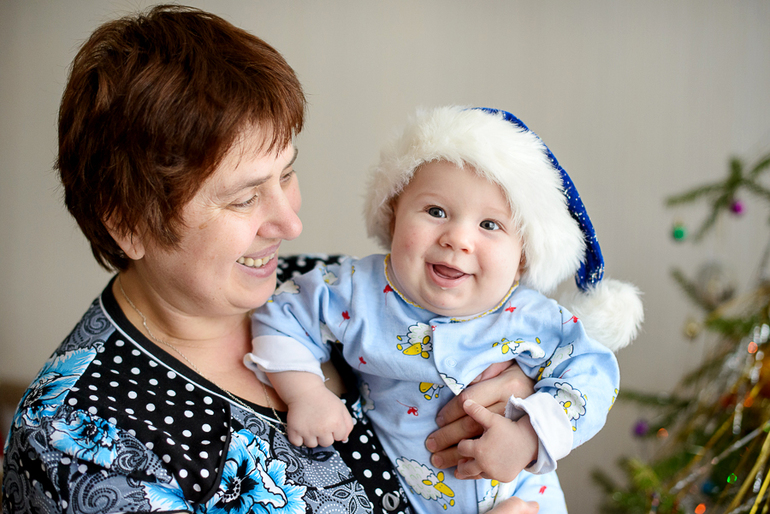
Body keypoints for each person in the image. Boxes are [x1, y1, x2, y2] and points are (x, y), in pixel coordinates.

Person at [1, 6, 542, 514]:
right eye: (244, 198)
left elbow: (526, 329)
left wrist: (520, 383)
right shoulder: (76, 442)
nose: (289, 224)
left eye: (286, 174)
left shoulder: (326, 285)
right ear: (129, 223)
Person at [246, 106, 645, 513]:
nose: (458, 239)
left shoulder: (534, 318)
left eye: (490, 225)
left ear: (522, 258)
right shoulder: (354, 289)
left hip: (525, 500)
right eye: (436, 212)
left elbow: (593, 372)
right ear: (393, 216)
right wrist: (305, 392)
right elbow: (281, 313)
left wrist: (528, 437)